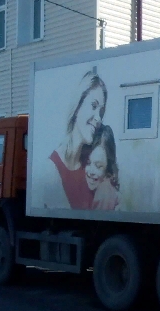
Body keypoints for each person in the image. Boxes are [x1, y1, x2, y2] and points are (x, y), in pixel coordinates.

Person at [44, 71, 108, 209]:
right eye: (94, 106)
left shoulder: (91, 167)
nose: (99, 118)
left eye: (101, 112)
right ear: (78, 106)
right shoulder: (52, 169)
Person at [83, 125, 120, 211]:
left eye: (98, 166)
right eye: (88, 163)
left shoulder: (104, 192)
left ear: (108, 168)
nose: (91, 172)